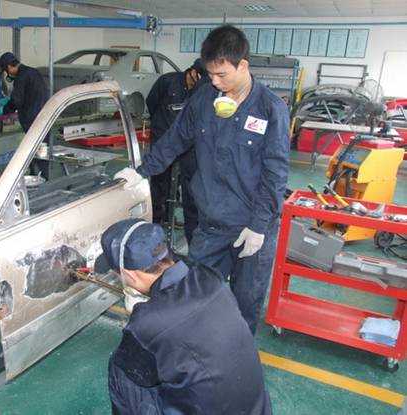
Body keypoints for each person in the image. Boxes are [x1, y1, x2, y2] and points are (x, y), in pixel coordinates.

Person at [115, 25, 290, 334]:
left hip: (251, 226)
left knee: (245, 304)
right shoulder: (204, 99)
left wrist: (259, 226)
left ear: (243, 65)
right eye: (210, 74)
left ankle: (237, 354)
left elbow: (275, 174)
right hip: (212, 223)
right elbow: (175, 139)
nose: (215, 81)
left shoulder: (270, 109)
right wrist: (141, 170)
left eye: (222, 74)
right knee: (193, 294)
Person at [96, 218, 272, 415]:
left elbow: (139, 364)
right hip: (257, 409)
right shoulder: (210, 278)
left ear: (130, 275)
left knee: (120, 369)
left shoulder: (145, 324)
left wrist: (142, 315)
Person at [145, 59, 205, 243]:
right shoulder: (167, 81)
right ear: (193, 73)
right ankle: (156, 221)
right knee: (160, 182)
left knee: (180, 181)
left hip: (185, 144)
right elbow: (151, 102)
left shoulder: (202, 91)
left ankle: (171, 215)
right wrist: (161, 124)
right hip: (163, 138)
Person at [0, 52, 49, 178]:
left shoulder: (21, 77)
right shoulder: (33, 72)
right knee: (42, 147)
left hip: (31, 118)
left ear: (9, 67)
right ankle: (41, 175)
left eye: (6, 71)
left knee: (33, 147)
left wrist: (4, 110)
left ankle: (38, 176)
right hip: (44, 115)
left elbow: (17, 101)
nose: (8, 74)